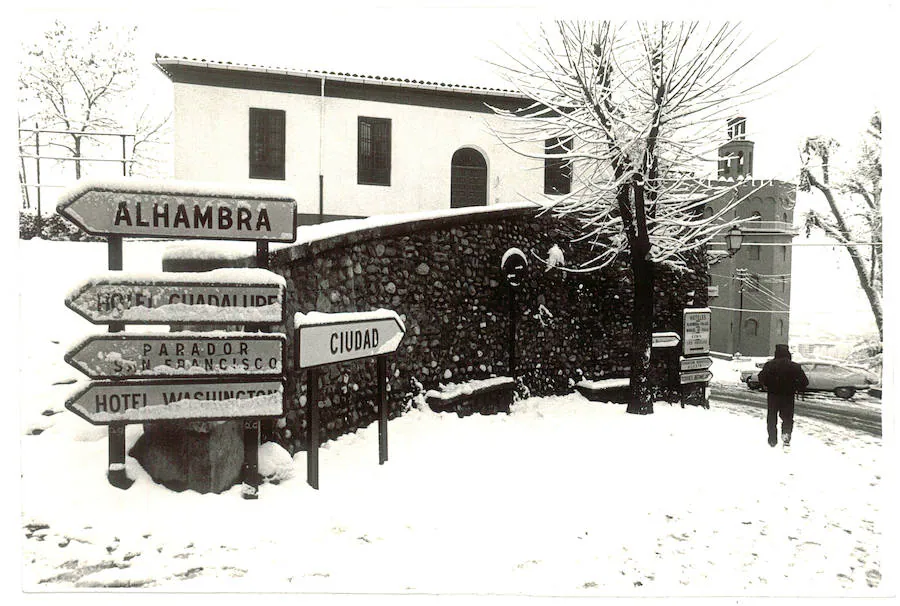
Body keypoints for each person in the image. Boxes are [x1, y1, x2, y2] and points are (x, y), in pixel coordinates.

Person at [757, 344, 809, 450]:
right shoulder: (795, 366)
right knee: (787, 417)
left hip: (773, 395)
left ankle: (772, 439)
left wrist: (768, 385)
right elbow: (804, 382)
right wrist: (794, 386)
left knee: (772, 417)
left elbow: (761, 378)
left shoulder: (769, 365)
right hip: (788, 396)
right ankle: (786, 435)